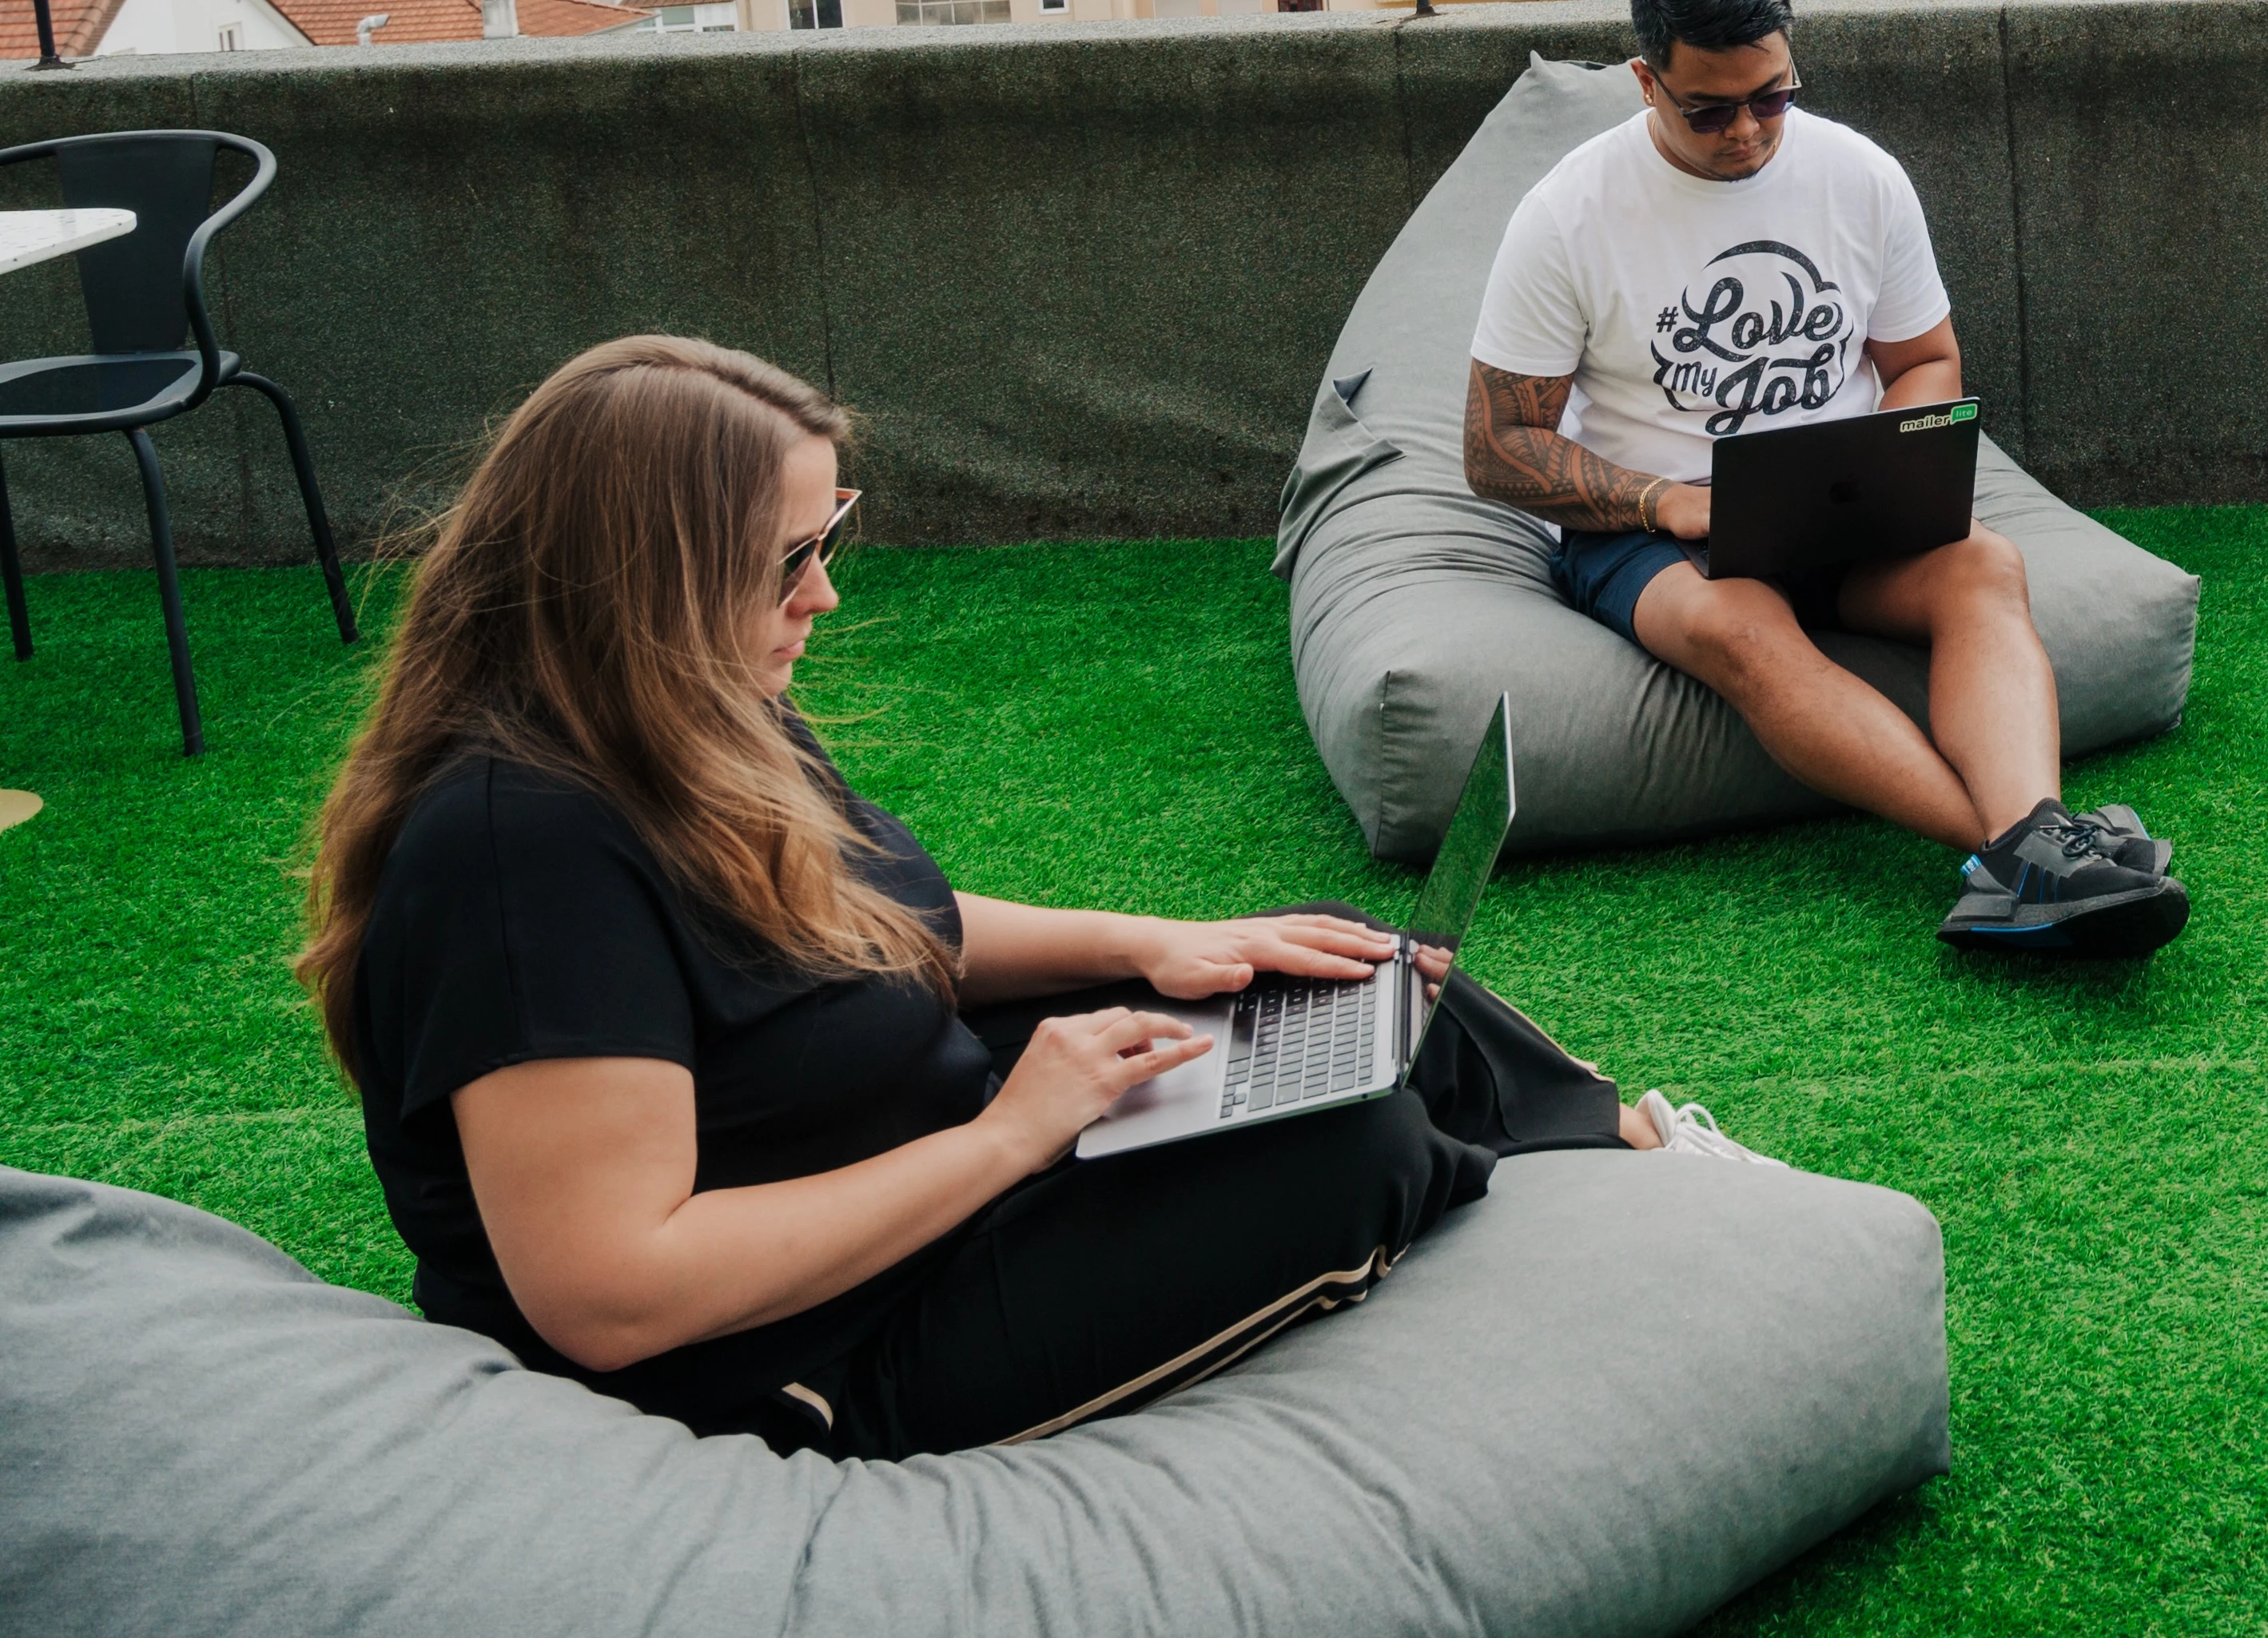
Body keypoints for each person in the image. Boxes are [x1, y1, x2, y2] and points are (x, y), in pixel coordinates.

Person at [299, 336, 1765, 1461]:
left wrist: (1168, 942)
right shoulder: (518, 853)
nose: (823, 593)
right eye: (788, 558)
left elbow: (881, 921)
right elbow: (614, 1290)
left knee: (1347, 972)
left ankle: (1633, 1174)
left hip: (936, 1172)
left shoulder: (687, 709)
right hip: (801, 1354)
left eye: (829, 534)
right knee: (1354, 1142)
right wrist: (1014, 1133)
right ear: (647, 580)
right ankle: (1574, 1282)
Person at [1462, 0, 2186, 954]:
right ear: (1645, 80)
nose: (1749, 131)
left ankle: (2036, 854)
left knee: (1986, 564)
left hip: (1835, 501)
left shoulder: (1860, 175)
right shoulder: (1568, 214)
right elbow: (1498, 443)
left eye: (1772, 96)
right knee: (1744, 627)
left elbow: (1927, 358)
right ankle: (2026, 856)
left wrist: (1884, 457)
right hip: (1649, 526)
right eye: (1709, 109)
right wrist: (1662, 503)